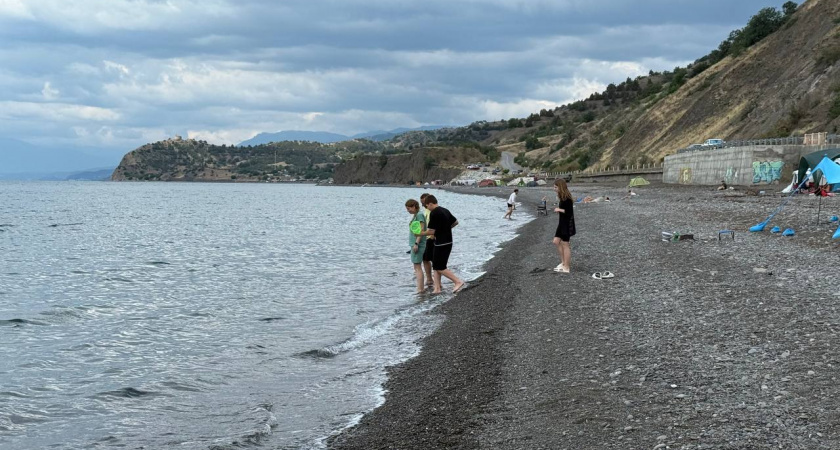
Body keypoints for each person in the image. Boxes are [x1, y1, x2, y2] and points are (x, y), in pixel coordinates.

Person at [420, 195, 465, 293]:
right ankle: (437, 288)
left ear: (430, 204)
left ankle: (457, 281)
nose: (427, 208)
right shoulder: (445, 210)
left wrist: (421, 233)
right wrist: (445, 229)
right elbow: (455, 222)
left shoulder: (434, 213)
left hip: (441, 243)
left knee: (439, 267)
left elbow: (431, 231)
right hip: (448, 241)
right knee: (436, 265)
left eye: (427, 206)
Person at [552, 179, 575, 273]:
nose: (554, 189)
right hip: (561, 223)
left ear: (560, 187)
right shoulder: (561, 197)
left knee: (565, 244)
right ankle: (563, 263)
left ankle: (567, 267)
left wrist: (559, 210)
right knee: (556, 241)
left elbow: (569, 212)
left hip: (566, 224)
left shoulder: (567, 198)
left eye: (555, 187)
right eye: (554, 187)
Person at [405, 199, 427, 293]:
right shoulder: (415, 215)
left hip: (418, 244)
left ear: (414, 206)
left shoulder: (419, 215)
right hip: (414, 244)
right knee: (416, 267)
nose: (408, 210)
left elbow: (421, 231)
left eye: (409, 208)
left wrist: (416, 243)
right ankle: (420, 287)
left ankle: (420, 289)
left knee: (417, 267)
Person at [419, 193, 434, 287]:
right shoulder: (425, 211)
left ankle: (434, 281)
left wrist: (433, 235)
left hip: (431, 238)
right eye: (422, 203)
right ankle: (429, 279)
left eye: (424, 202)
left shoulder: (433, 211)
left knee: (433, 260)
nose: (423, 204)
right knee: (425, 259)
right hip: (425, 238)